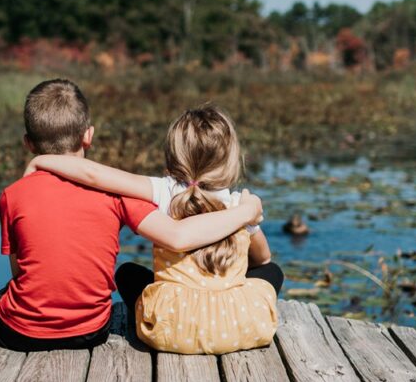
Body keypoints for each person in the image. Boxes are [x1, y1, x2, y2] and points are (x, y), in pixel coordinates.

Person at [0, 79, 263, 351]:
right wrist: (246, 213)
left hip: (24, 332)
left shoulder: (13, 194)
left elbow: (19, 272)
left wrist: (38, 164)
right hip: (92, 330)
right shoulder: (117, 195)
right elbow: (182, 236)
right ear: (88, 136)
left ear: (28, 143)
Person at [26, 104, 282, 354]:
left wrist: (43, 160)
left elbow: (94, 175)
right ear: (231, 161)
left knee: (127, 273)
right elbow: (263, 259)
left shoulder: (163, 190)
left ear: (174, 156)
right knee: (272, 271)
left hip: (169, 328)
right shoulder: (241, 205)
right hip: (237, 326)